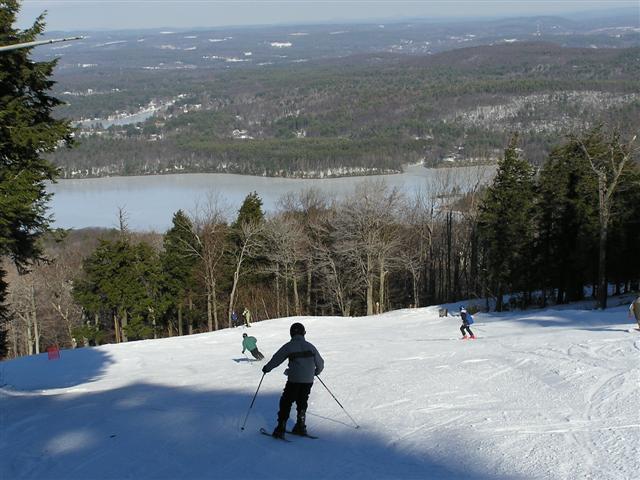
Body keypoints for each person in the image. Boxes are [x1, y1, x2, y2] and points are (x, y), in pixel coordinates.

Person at [262, 322, 324, 438]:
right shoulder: (310, 346)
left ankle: (281, 427)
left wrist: (267, 368)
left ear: (291, 334)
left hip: (294, 379)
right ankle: (300, 426)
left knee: (286, 401)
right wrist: (316, 372)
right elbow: (320, 362)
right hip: (308, 380)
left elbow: (277, 358)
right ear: (303, 333)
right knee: (302, 400)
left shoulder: (289, 346)